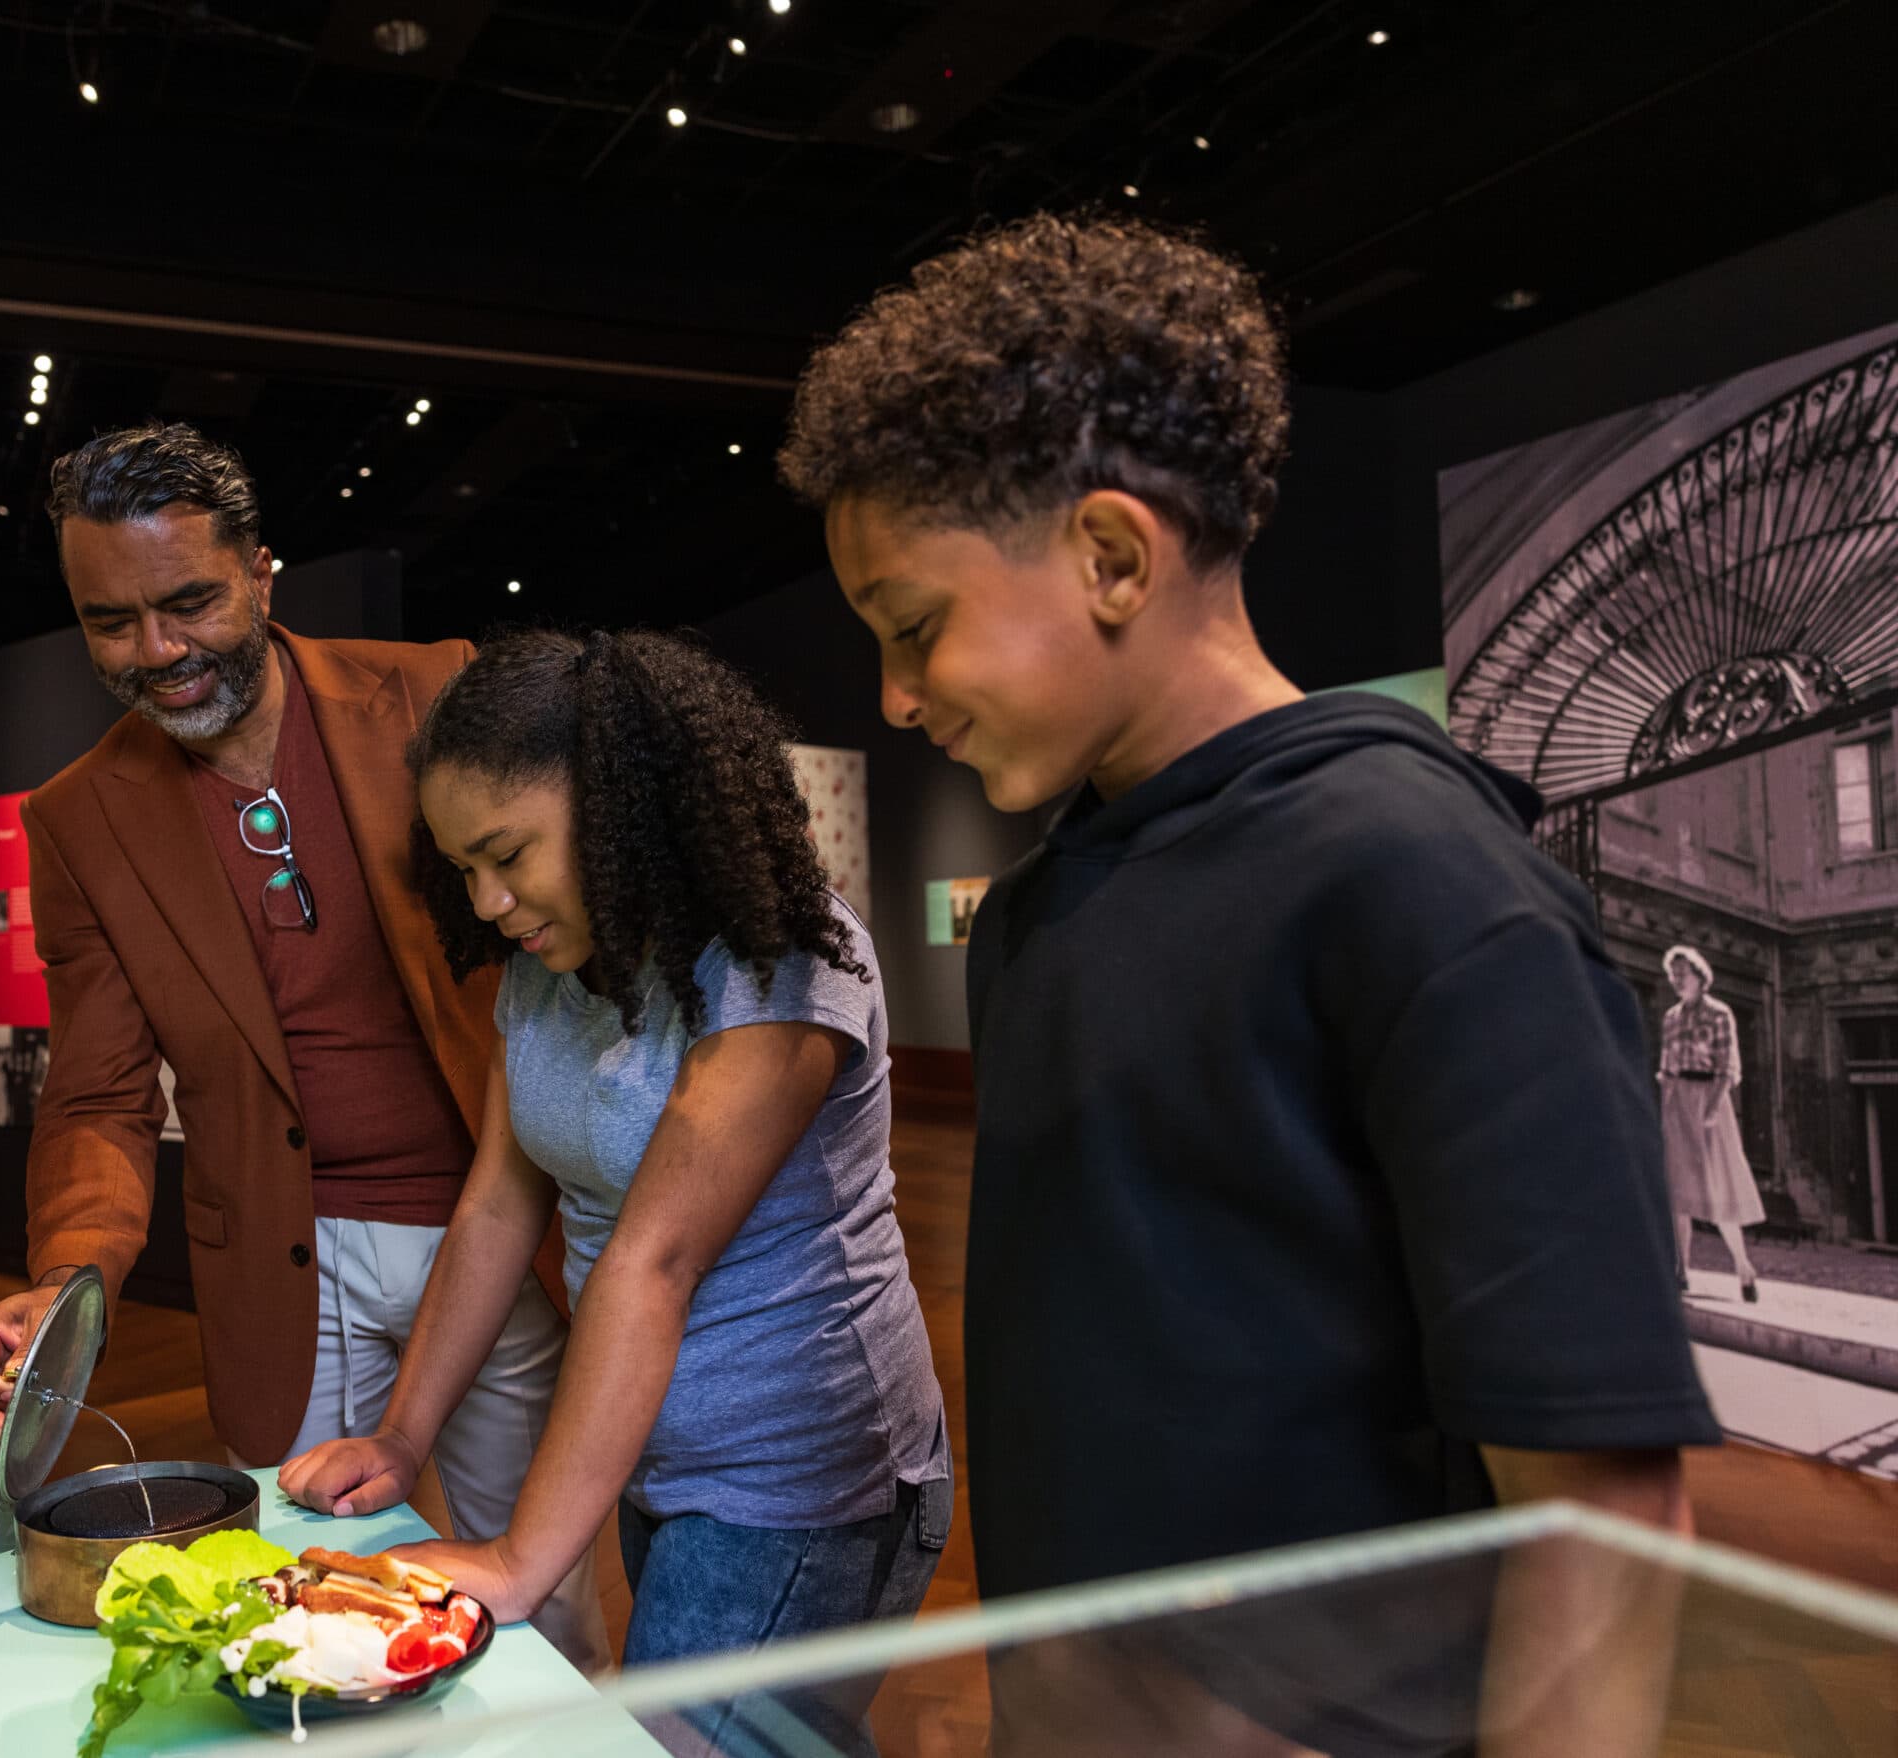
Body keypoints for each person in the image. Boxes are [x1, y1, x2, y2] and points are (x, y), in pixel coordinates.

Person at [779, 214, 1717, 1755]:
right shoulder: (1040, 907)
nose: (891, 696)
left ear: (1110, 555)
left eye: (915, 627)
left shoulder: (1430, 885)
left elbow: (1601, 1516)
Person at [0, 424, 604, 1670]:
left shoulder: (433, 693)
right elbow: (94, 1094)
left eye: (190, 600)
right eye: (112, 621)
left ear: (260, 571)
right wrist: (65, 1283)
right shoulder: (79, 818)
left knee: (545, 1598)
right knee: (304, 1599)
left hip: (500, 1225)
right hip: (285, 1269)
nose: (159, 652)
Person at [280, 629, 951, 1755]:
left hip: (801, 1491)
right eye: (461, 869)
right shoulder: (549, 974)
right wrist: (403, 1438)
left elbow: (656, 1261)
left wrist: (515, 1563)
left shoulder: (781, 957)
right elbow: (497, 1208)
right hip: (663, 1468)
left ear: (620, 811)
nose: (487, 902)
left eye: (508, 854)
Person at [1658, 944, 1764, 1302]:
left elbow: (1728, 1069)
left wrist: (1713, 1110)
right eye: (1672, 975)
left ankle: (1744, 1268)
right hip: (1678, 1103)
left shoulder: (1720, 1014)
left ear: (1700, 977)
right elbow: (1667, 1069)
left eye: (1682, 974)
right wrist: (1665, 1110)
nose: (1676, 981)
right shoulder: (1671, 1017)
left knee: (1718, 1188)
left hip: (1710, 1101)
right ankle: (1681, 1269)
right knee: (1678, 1191)